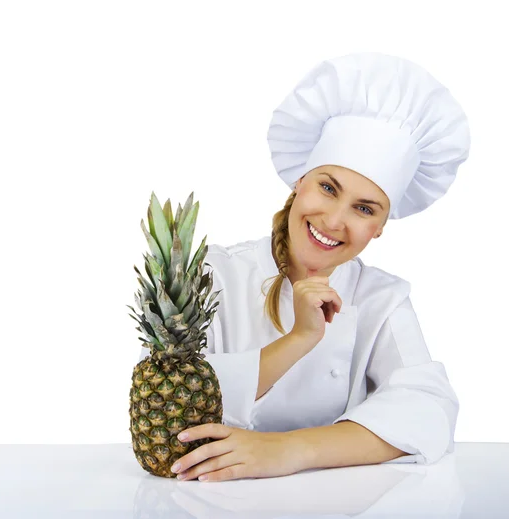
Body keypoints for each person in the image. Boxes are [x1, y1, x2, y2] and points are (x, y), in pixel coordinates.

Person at [141, 52, 471, 482]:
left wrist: (290, 450)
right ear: (300, 181)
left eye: (364, 208)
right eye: (328, 187)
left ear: (380, 227)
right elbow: (170, 402)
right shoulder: (213, 274)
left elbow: (429, 410)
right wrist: (300, 338)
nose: (334, 221)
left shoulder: (382, 299)